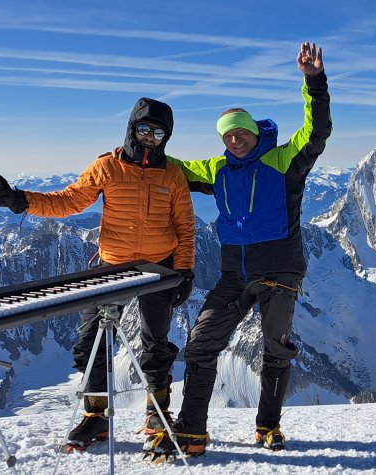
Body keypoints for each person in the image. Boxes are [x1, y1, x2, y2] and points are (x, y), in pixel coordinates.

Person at [148, 41, 331, 456]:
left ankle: (268, 426)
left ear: (253, 131)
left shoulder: (284, 160)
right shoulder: (217, 170)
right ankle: (192, 430)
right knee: (201, 342)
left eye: (241, 132)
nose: (235, 140)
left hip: (280, 272)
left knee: (276, 349)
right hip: (234, 275)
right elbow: (172, 166)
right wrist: (139, 147)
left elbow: (316, 131)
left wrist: (313, 81)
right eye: (228, 135)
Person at [0, 98, 196, 452]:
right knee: (90, 344)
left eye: (158, 132)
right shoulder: (107, 167)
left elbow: (185, 226)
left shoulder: (173, 174)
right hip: (112, 265)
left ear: (167, 137)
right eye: (143, 129)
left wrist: (185, 269)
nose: (149, 137)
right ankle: (96, 416)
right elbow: (69, 201)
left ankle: (157, 412)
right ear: (131, 129)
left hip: (159, 266)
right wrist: (20, 200)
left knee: (156, 344)